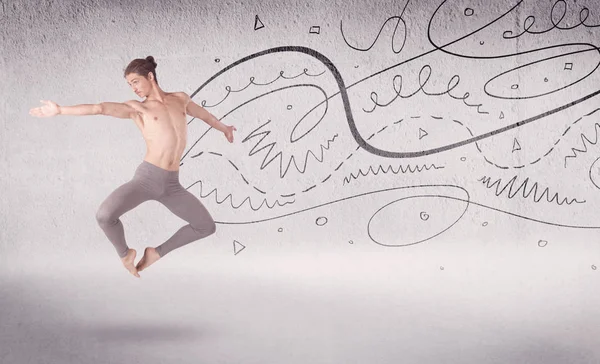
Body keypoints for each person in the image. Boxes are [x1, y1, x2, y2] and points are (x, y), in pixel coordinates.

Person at [29, 56, 236, 278]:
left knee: (205, 226)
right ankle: (125, 254)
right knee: (105, 216)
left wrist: (224, 128)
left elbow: (205, 115)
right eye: (129, 84)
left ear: (150, 76)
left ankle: (155, 253)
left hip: (172, 185)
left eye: (135, 81)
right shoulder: (138, 108)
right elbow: (99, 108)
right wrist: (60, 110)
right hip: (147, 180)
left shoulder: (180, 99)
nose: (133, 88)